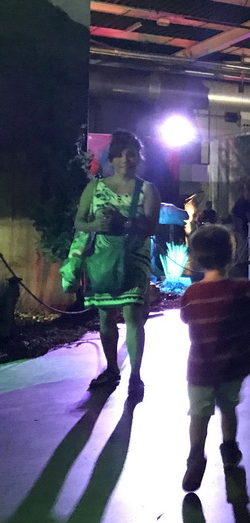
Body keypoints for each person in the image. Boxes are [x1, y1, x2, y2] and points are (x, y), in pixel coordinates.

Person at [179, 225, 250, 492]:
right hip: (234, 367)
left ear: (197, 259)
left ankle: (195, 457)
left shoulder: (191, 294)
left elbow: (186, 318)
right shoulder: (245, 288)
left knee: (198, 415)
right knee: (228, 408)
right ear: (232, 256)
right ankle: (229, 450)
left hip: (201, 369)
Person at [73, 131, 160, 400]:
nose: (125, 159)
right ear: (111, 157)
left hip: (134, 260)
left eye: (131, 153)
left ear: (138, 157)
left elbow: (151, 226)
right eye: (120, 154)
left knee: (134, 317)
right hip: (102, 260)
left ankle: (135, 375)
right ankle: (112, 368)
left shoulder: (147, 189)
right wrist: (96, 225)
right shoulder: (94, 187)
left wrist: (124, 223)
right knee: (105, 317)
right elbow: (79, 222)